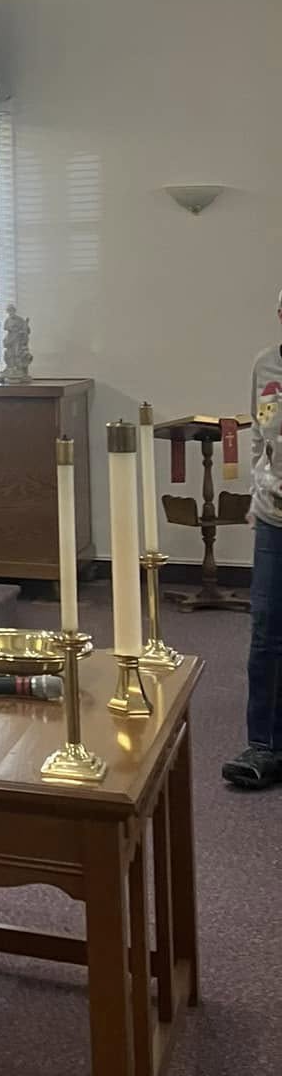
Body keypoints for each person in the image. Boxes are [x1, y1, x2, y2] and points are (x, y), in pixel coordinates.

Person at [223, 289, 282, 790]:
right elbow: (263, 440)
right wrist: (254, 492)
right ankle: (263, 746)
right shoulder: (266, 367)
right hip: (274, 517)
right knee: (266, 631)